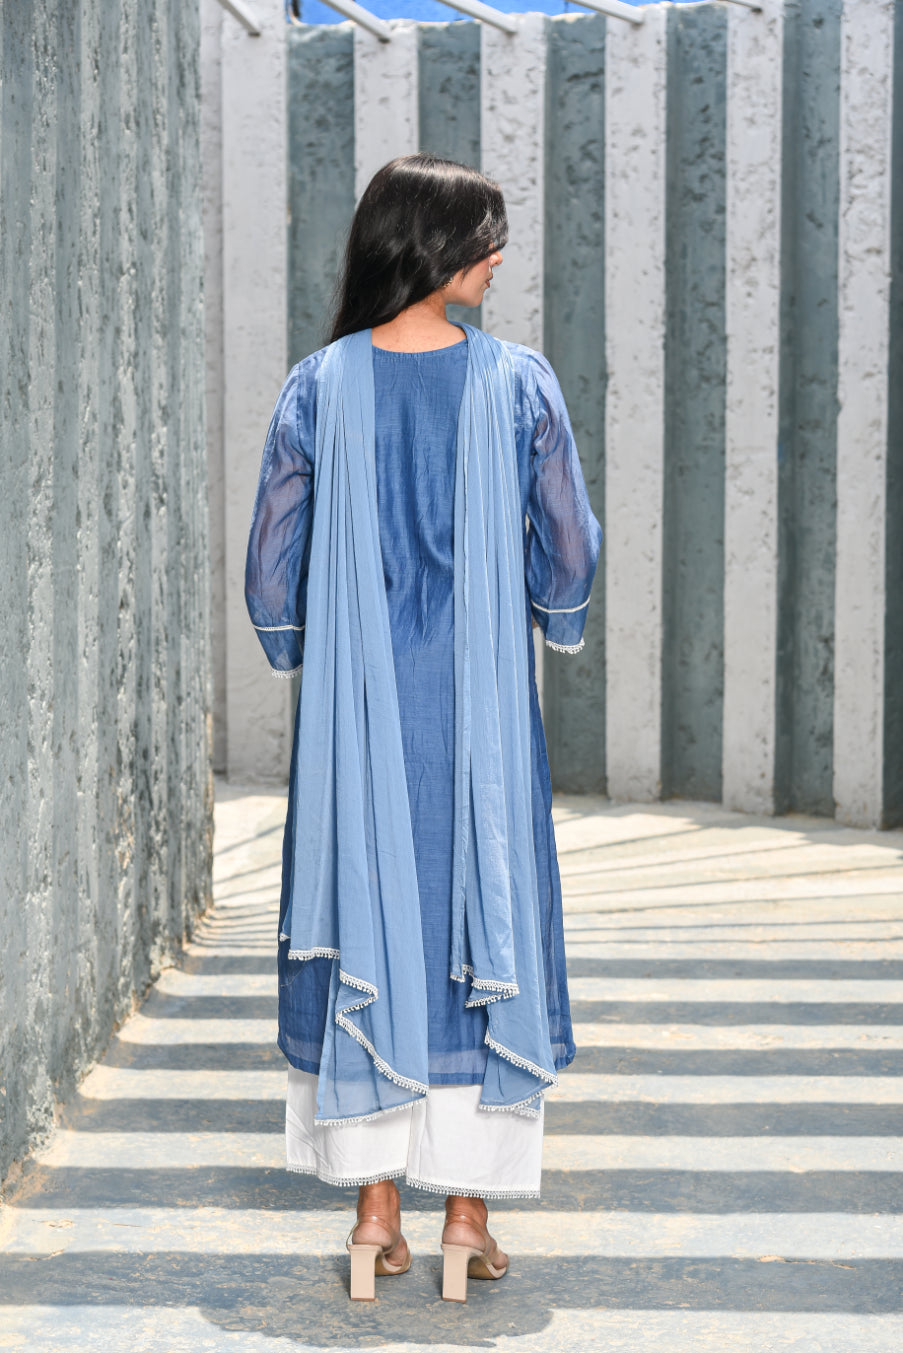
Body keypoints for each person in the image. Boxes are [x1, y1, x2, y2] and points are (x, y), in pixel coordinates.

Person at [245, 153, 602, 1303]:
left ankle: (372, 1214)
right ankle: (466, 1220)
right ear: (432, 247)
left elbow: (270, 569)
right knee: (480, 930)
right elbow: (571, 548)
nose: (500, 256)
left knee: (361, 927)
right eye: (487, 237)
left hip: (360, 723)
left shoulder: (318, 384)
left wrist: (298, 645)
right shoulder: (519, 384)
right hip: (479, 719)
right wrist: (555, 612)